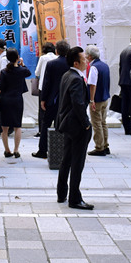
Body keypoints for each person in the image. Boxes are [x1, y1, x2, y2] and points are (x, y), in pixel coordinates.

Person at [56, 45, 93, 210]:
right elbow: (78, 104)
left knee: (66, 159)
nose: (86, 61)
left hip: (67, 123)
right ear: (76, 63)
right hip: (76, 125)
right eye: (83, 59)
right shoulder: (77, 79)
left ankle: (62, 193)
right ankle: (75, 198)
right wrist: (86, 124)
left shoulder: (67, 75)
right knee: (77, 163)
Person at [34, 41, 71, 159]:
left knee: (46, 123)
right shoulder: (70, 64)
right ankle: (63, 150)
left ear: (57, 51)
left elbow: (46, 82)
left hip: (52, 99)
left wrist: (43, 99)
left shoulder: (51, 64)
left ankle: (42, 150)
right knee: (63, 125)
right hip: (66, 99)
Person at [0, 48, 31, 158]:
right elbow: (28, 72)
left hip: (5, 99)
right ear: (17, 58)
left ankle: (7, 150)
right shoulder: (22, 70)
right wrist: (22, 63)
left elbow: (0, 87)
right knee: (17, 126)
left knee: (4, 126)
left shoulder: (4, 72)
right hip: (17, 99)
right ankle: (16, 150)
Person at [86, 45, 111, 156]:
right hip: (105, 97)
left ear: (90, 56)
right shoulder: (105, 65)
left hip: (97, 99)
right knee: (103, 122)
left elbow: (92, 85)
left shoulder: (94, 67)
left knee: (96, 123)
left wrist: (92, 100)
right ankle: (105, 145)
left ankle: (99, 147)